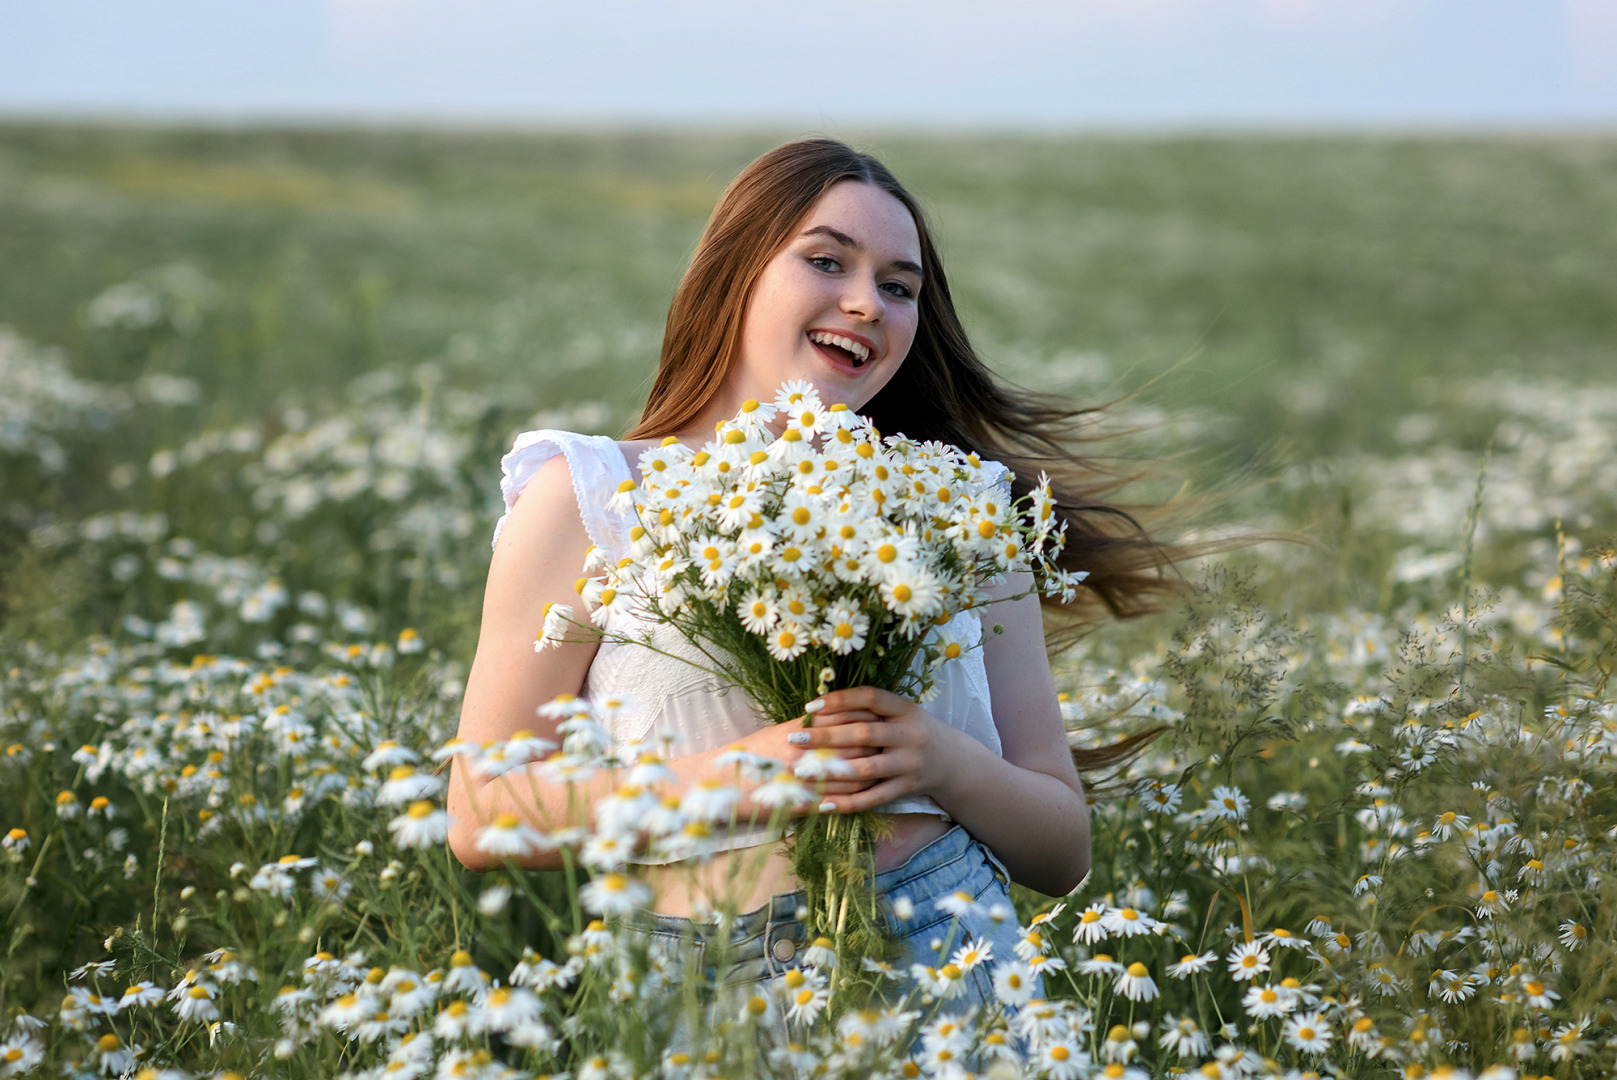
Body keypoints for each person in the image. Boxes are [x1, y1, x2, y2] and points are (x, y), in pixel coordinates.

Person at [447, 138, 1176, 1015]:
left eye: (898, 287)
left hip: (942, 951)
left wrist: (937, 759)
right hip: (692, 982)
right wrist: (755, 773)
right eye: (826, 261)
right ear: (736, 272)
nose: (866, 303)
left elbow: (1061, 850)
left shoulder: (958, 506)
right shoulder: (590, 494)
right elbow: (483, 813)